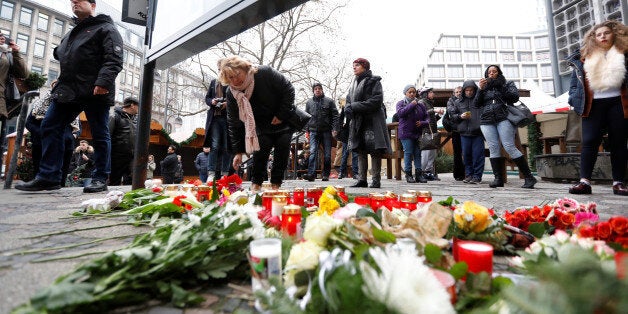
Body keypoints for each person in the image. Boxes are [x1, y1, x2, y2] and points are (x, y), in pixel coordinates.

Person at [16, 0, 123, 193]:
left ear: (93, 5)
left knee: (100, 133)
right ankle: (48, 177)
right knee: (49, 124)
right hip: (68, 90)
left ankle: (100, 178)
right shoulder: (73, 32)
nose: (74, 3)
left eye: (79, 0)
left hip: (94, 89)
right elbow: (67, 58)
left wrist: (103, 82)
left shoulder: (106, 28)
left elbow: (114, 59)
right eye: (72, 1)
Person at [566, 20, 628, 196]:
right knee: (589, 142)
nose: (602, 36)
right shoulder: (585, 55)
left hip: (619, 103)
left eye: (606, 33)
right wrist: (573, 98)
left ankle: (619, 183)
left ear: (614, 34)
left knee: (619, 143)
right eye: (598, 34)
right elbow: (574, 83)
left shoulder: (623, 53)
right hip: (593, 104)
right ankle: (584, 182)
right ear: (593, 38)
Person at [221, 56, 295, 192]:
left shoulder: (264, 72)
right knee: (260, 153)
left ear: (245, 68)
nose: (235, 80)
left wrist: (281, 114)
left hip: (281, 119)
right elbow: (234, 123)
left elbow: (288, 89)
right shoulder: (231, 93)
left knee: (282, 150)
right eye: (230, 78)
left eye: (237, 75)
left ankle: (276, 186)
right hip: (259, 126)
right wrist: (238, 152)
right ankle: (256, 186)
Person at [476, 65, 536, 189]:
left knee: (509, 146)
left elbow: (514, 97)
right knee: (493, 147)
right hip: (487, 120)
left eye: (494, 71)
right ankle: (498, 179)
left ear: (499, 73)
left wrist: (499, 85)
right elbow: (477, 103)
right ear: (486, 74)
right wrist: (480, 89)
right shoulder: (484, 87)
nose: (491, 73)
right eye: (489, 72)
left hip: (503, 117)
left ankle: (529, 177)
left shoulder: (507, 83)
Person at [345, 58, 391, 188]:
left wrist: (354, 106)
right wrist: (348, 107)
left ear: (365, 67)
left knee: (375, 150)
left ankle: (376, 180)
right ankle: (362, 179)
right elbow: (349, 99)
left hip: (372, 120)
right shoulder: (353, 83)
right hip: (358, 120)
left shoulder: (374, 81)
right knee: (360, 149)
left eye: (357, 65)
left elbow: (376, 100)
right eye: (353, 65)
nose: (354, 67)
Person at [25, 80, 81, 187]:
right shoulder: (39, 105)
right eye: (56, 86)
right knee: (41, 171)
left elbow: (78, 127)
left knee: (62, 176)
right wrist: (43, 133)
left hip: (66, 145)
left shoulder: (70, 106)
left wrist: (73, 136)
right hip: (41, 143)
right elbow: (29, 123)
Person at [302, 83, 339, 182]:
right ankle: (311, 174)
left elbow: (336, 116)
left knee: (327, 154)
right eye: (315, 89)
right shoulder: (309, 102)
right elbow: (306, 117)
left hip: (326, 131)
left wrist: (335, 129)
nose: (317, 90)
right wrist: (307, 131)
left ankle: (326, 174)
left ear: (322, 90)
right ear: (313, 91)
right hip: (313, 131)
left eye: (319, 89)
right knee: (313, 152)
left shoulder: (329, 101)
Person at [203, 60, 232, 181]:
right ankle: (211, 174)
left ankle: (225, 174)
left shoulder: (231, 82)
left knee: (227, 147)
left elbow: (236, 99)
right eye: (219, 68)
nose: (220, 71)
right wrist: (213, 102)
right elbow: (207, 98)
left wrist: (227, 103)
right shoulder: (213, 82)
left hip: (228, 119)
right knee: (214, 146)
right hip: (214, 118)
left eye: (222, 68)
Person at [451, 80, 484, 184]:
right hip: (464, 133)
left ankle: (477, 176)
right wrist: (460, 116)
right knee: (466, 155)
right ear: (464, 91)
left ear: (475, 90)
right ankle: (469, 175)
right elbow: (453, 117)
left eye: (471, 90)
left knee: (478, 155)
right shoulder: (457, 102)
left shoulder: (479, 100)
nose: (469, 92)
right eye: (467, 90)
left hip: (477, 133)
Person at [395, 84, 428, 183]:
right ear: (405, 93)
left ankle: (419, 175)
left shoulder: (421, 105)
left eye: (414, 92)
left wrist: (422, 123)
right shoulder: (400, 103)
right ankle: (408, 174)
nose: (412, 94)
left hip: (417, 133)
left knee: (418, 153)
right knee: (408, 153)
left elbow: (427, 118)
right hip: (405, 133)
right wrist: (412, 104)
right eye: (410, 92)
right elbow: (400, 113)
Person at [108, 97, 138, 185]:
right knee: (115, 180)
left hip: (132, 156)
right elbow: (108, 135)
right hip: (117, 156)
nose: (139, 109)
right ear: (132, 105)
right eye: (138, 106)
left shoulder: (136, 119)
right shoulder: (114, 116)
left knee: (131, 181)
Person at [418, 87, 444, 181]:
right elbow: (422, 115)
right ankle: (420, 172)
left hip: (433, 131)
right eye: (431, 92)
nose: (433, 94)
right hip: (425, 132)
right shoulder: (421, 102)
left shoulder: (430, 103)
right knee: (425, 154)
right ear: (425, 93)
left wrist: (438, 116)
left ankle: (428, 173)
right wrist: (434, 110)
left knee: (432, 154)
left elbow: (431, 120)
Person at [0, 31, 28, 119]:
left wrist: (16, 53)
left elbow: (24, 74)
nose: (2, 37)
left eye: (1, 35)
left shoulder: (6, 55)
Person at [446, 86, 465, 181]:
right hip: (456, 131)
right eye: (456, 92)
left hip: (466, 130)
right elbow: (451, 112)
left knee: (467, 153)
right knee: (457, 153)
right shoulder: (450, 101)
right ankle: (458, 174)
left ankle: (468, 173)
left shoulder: (467, 100)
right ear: (454, 93)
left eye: (460, 91)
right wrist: (461, 115)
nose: (458, 93)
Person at [336, 103, 359, 179]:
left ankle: (355, 173)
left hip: (355, 132)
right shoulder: (345, 107)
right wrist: (341, 126)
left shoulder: (357, 105)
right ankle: (341, 172)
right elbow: (340, 118)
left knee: (355, 154)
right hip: (346, 133)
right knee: (345, 154)